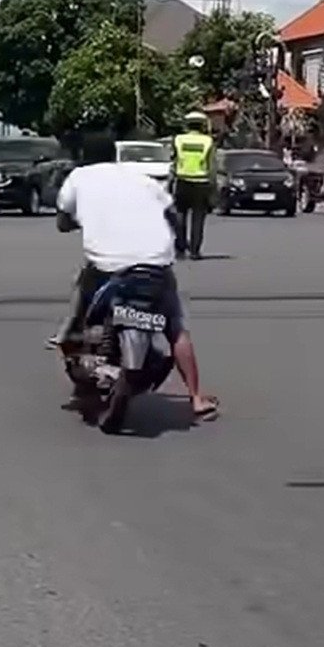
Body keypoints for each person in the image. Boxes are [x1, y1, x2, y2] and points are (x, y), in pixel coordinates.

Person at [50, 133, 219, 420]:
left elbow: (62, 220)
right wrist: (179, 245)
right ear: (115, 155)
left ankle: (69, 339)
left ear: (81, 156)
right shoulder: (140, 178)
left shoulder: (78, 177)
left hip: (107, 265)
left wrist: (77, 221)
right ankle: (196, 399)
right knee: (175, 328)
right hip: (155, 264)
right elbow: (172, 214)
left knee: (82, 299)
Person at [171, 111, 215, 260]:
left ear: (187, 125)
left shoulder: (179, 140)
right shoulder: (207, 141)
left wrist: (171, 181)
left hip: (182, 181)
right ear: (202, 126)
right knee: (198, 218)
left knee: (180, 215)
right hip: (201, 183)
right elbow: (211, 165)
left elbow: (174, 161)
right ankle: (195, 251)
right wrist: (213, 185)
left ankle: (180, 247)